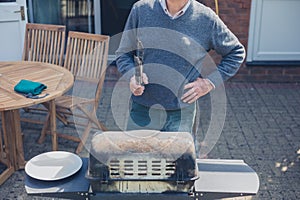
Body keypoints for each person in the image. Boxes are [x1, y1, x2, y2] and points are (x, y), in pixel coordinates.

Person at [115, 0, 245, 133]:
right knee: (136, 154)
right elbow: (123, 54)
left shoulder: (206, 18)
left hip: (182, 115)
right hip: (142, 110)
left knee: (180, 154)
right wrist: (132, 75)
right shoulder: (141, 10)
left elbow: (236, 52)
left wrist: (209, 83)